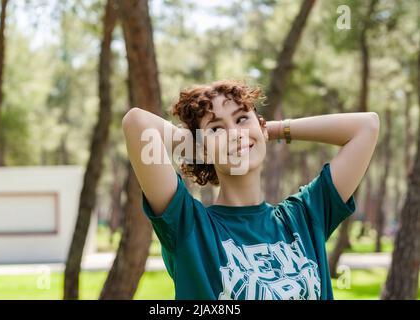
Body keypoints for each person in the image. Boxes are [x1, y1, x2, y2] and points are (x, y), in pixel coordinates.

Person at [121, 79, 380, 300]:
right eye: (216, 128)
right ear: (200, 146)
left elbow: (366, 126)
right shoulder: (189, 227)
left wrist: (270, 131)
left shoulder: (304, 216)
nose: (234, 133)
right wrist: (202, 145)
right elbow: (137, 124)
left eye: (242, 118)